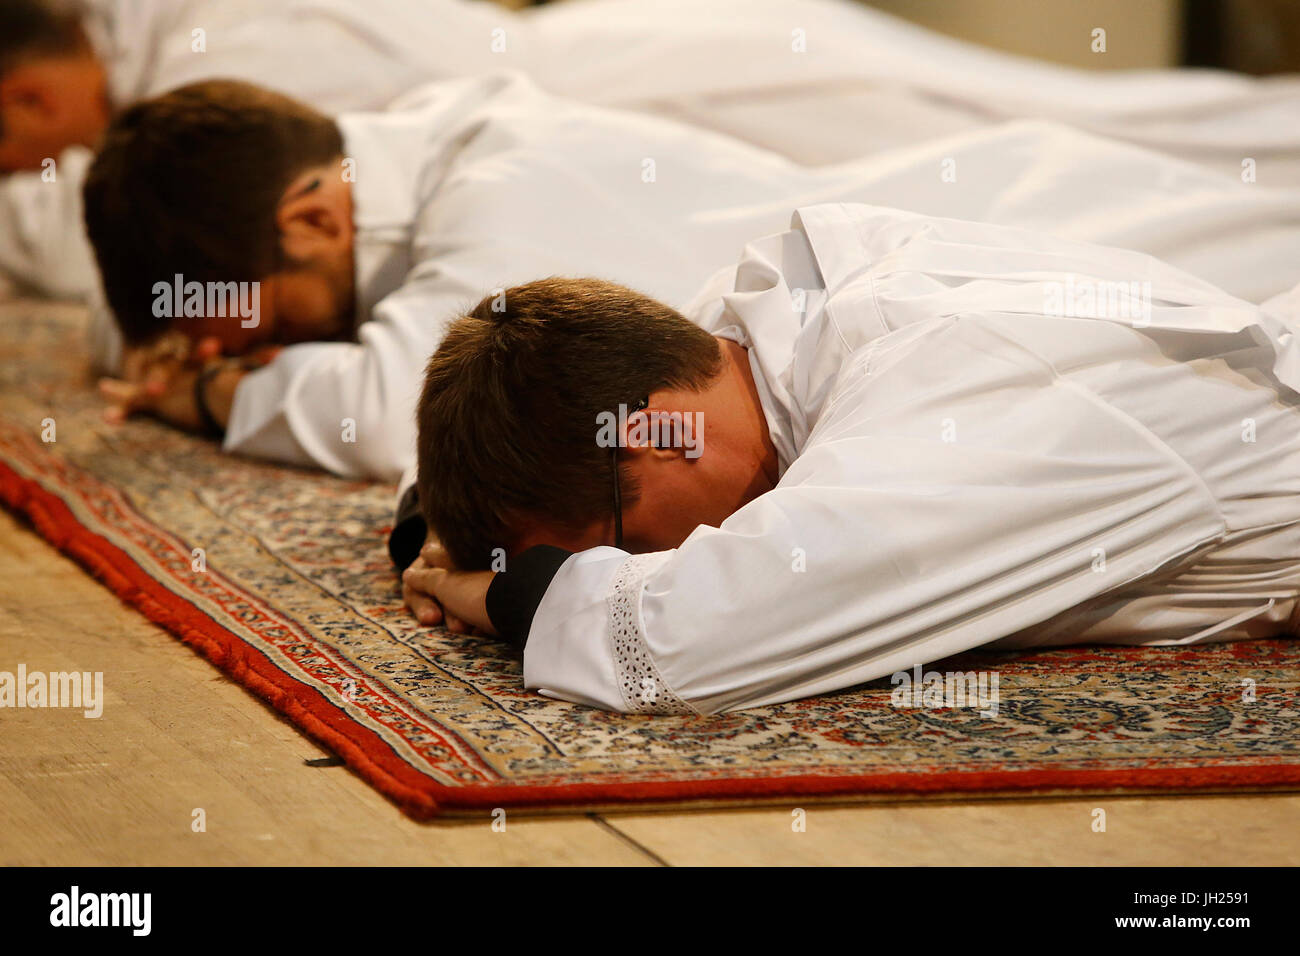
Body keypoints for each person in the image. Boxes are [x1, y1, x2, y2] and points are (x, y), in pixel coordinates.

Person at [400, 203, 1300, 715]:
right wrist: (454, 519)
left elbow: (689, 645)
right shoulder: (744, 339)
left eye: (613, 545)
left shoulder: (957, 392)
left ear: (659, 434)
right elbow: (537, 392)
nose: (628, 566)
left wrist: (509, 592)